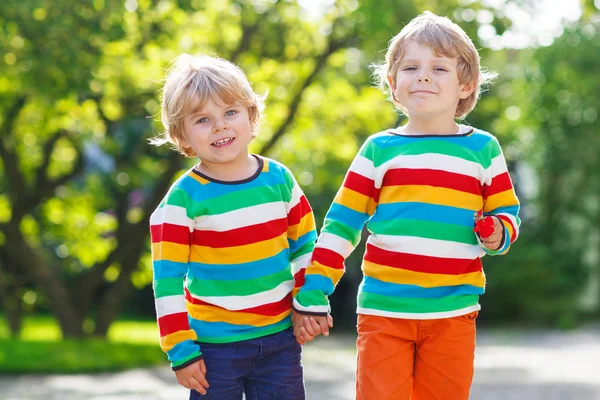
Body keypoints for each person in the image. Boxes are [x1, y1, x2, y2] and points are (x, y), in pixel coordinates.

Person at [292, 11, 520, 400]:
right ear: (393, 84)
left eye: (439, 68)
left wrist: (498, 231)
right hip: (384, 311)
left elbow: (508, 217)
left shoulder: (483, 149)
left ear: (465, 85)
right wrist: (313, 290)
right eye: (411, 67)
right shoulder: (379, 151)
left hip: (453, 313)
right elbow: (341, 226)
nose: (424, 76)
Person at [149, 53, 317, 399]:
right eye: (202, 119)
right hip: (213, 349)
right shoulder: (184, 199)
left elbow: (305, 245)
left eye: (230, 112)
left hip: (279, 341)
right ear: (182, 135)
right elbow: (166, 282)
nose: (220, 126)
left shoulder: (279, 180)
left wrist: (308, 302)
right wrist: (180, 350)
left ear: (251, 116)